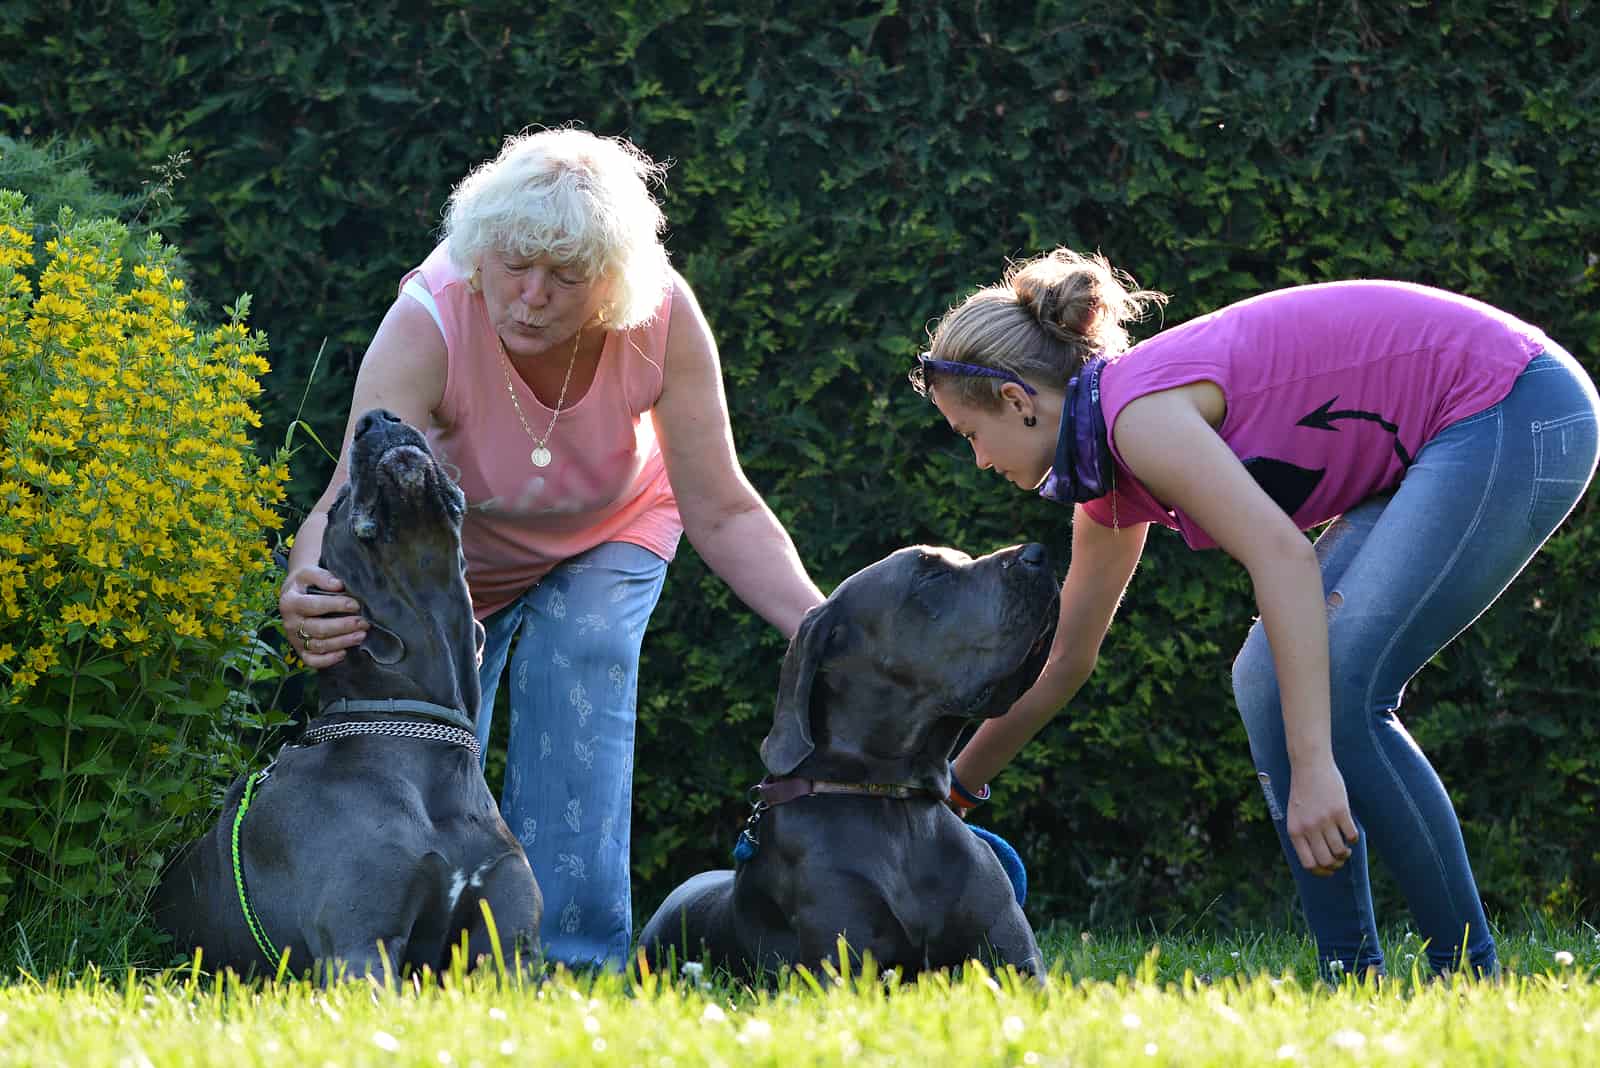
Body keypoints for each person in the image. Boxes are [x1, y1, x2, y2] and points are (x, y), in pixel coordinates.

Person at [910, 248, 1600, 980]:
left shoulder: (1138, 417)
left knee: (1346, 689)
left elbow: (1284, 559)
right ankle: (1351, 976)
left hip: (1512, 404)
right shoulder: (1105, 481)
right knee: (1265, 679)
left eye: (970, 435)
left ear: (1019, 401)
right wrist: (943, 793)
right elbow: (1064, 662)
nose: (979, 461)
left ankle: (1467, 975)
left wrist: (1313, 770)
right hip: (1447, 433)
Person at [279, 126, 825, 968]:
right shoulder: (427, 321)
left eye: (566, 276)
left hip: (613, 522)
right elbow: (346, 503)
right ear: (479, 253)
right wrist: (305, 583)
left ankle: (573, 960)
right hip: (459, 568)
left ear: (610, 283)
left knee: (587, 649)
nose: (532, 296)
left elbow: (722, 509)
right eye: (513, 265)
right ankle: (443, 956)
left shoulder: (661, 317)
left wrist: (823, 630)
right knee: (437, 742)